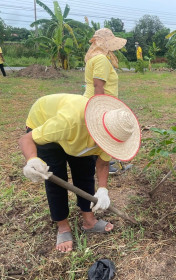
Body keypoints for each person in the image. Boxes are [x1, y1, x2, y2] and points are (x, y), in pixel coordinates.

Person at [19, 94, 141, 253]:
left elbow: (103, 163)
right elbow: (25, 139)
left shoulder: (113, 132)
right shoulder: (68, 123)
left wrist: (103, 190)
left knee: (85, 173)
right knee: (55, 177)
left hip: (77, 135)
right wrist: (32, 160)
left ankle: (89, 221)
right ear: (97, 134)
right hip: (44, 122)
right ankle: (63, 227)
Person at [83, 28, 127, 173]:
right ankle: (106, 165)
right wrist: (100, 108)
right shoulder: (100, 59)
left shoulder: (96, 57)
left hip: (100, 101)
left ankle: (108, 162)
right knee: (103, 134)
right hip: (100, 102)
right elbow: (98, 86)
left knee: (102, 134)